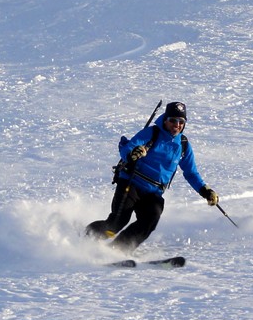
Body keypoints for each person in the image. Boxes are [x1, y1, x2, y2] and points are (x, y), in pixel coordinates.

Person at [86, 101, 219, 253]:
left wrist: (205, 190)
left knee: (150, 219)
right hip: (132, 183)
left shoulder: (183, 145)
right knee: (118, 221)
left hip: (153, 192)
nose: (177, 124)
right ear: (165, 120)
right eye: (173, 120)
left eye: (181, 121)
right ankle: (85, 237)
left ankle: (119, 249)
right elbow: (128, 147)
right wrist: (134, 152)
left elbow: (191, 172)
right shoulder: (152, 133)